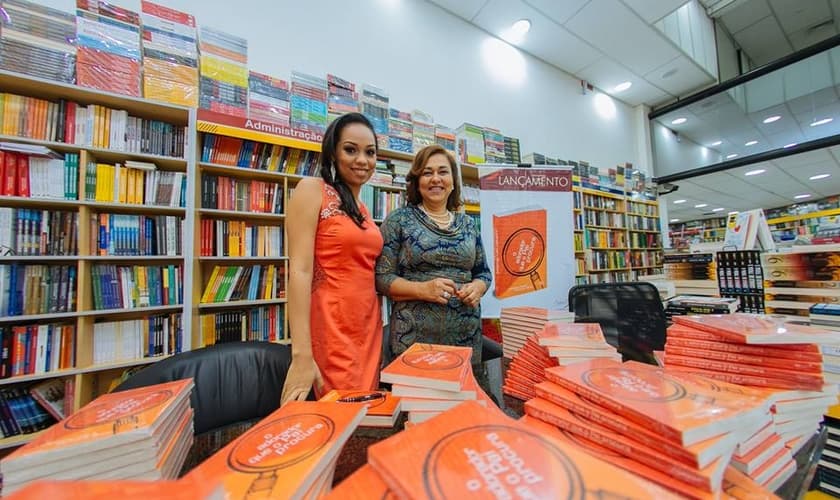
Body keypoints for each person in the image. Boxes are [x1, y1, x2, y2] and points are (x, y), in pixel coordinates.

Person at [280, 112, 383, 405]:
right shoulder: (312, 190)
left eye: (370, 152)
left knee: (368, 412)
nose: (362, 160)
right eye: (350, 149)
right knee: (340, 412)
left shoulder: (362, 208)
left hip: (368, 326)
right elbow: (300, 271)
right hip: (333, 326)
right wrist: (301, 355)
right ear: (333, 153)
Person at [375, 144, 493, 389]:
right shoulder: (398, 221)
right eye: (427, 173)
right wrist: (423, 290)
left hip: (466, 339)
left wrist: (478, 287)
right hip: (414, 342)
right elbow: (381, 278)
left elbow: (483, 272)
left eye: (443, 172)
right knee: (417, 407)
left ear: (453, 181)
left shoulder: (468, 224)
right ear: (417, 181)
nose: (436, 179)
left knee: (464, 406)